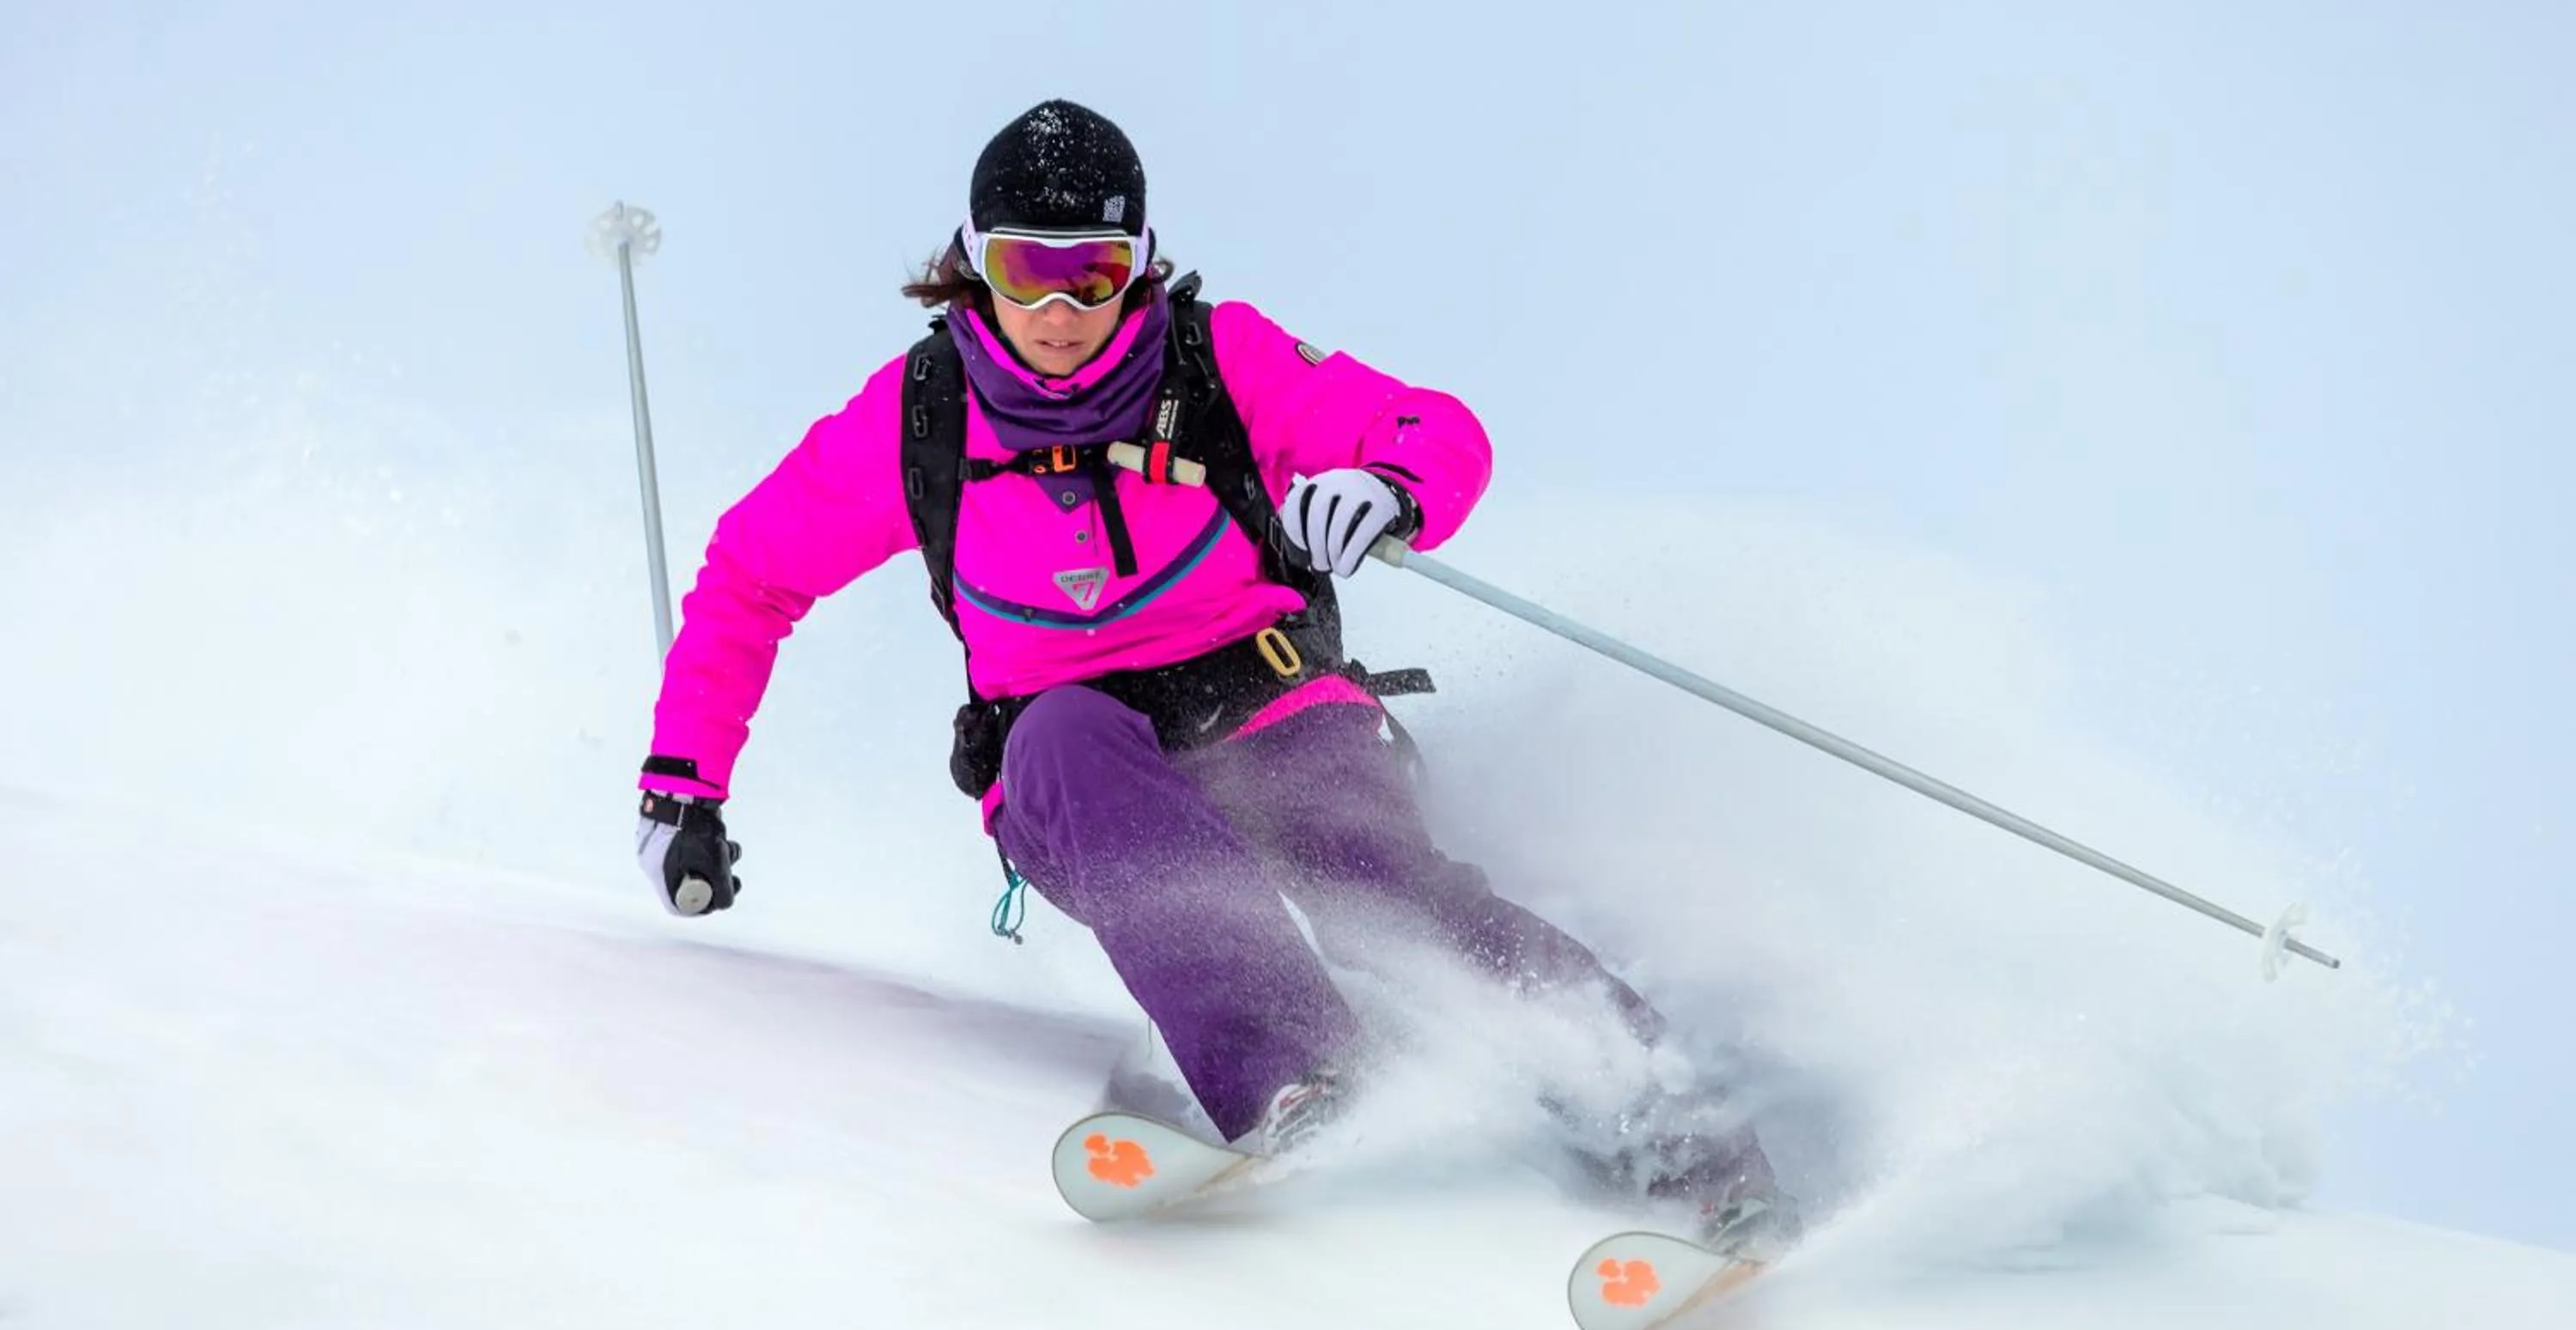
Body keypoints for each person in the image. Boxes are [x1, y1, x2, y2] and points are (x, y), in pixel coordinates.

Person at [631, 99, 1793, 1254]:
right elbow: (749, 576)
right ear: (973, 269)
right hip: (1079, 769)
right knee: (1064, 741)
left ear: (1139, 268)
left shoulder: (1216, 356)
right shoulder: (919, 417)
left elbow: (1430, 425)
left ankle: (1694, 1150)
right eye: (1026, 272)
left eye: (1094, 275)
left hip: (1273, 708)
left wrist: (1393, 484)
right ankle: (1305, 1080)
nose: (1058, 310)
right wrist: (683, 786)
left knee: (1381, 884)